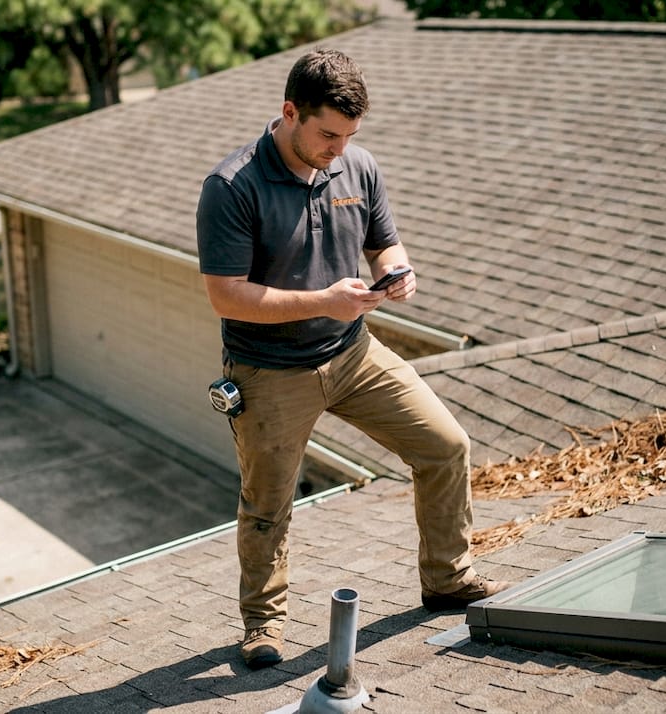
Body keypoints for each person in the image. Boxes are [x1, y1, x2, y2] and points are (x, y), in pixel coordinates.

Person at [195, 48, 510, 670]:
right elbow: (225, 295)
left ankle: (447, 579)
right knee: (268, 504)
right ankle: (263, 625)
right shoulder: (233, 187)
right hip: (269, 371)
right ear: (290, 112)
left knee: (445, 446)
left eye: (349, 136)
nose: (338, 149)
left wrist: (396, 273)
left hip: (353, 353)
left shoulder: (357, 166)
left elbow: (384, 244)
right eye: (327, 135)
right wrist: (324, 300)